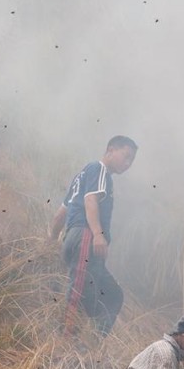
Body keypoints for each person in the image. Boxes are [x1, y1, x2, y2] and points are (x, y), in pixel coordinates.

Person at [51, 135, 138, 336]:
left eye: (131, 161)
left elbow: (58, 216)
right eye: (125, 156)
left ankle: (90, 346)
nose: (127, 164)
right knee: (78, 293)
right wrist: (98, 234)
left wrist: (53, 242)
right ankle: (64, 345)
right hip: (85, 238)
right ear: (110, 150)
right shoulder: (99, 170)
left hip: (77, 241)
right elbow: (91, 201)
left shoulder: (80, 179)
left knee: (112, 296)